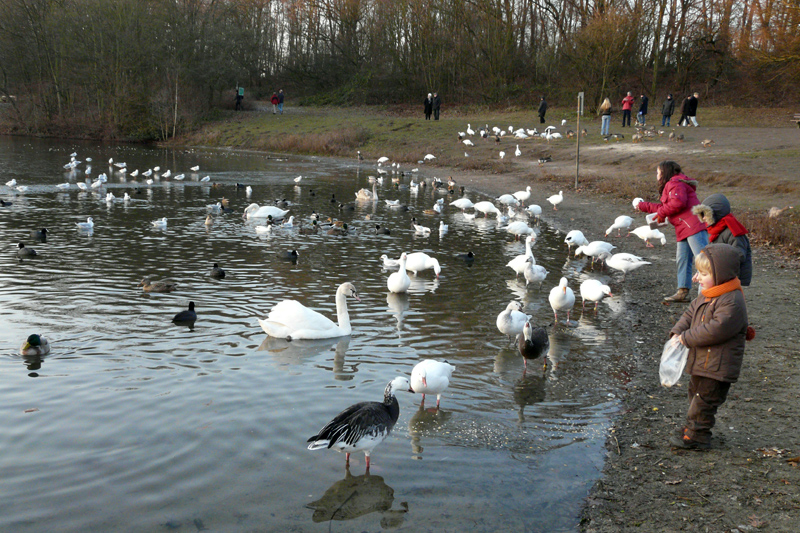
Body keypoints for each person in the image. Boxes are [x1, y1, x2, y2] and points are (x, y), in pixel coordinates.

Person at [668, 243, 751, 450]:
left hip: (718, 366)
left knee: (704, 400)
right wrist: (677, 332)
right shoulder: (708, 294)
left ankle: (698, 436)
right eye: (698, 272)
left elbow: (717, 328)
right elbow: (690, 313)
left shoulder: (732, 300)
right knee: (695, 394)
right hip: (704, 362)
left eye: (703, 273)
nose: (697, 277)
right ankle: (693, 427)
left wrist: (686, 338)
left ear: (721, 274)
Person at [634, 160, 708, 302]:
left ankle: (706, 296)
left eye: (658, 172)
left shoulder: (675, 184)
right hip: (683, 227)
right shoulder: (674, 185)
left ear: (664, 172)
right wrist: (644, 206)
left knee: (703, 260)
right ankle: (682, 291)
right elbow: (667, 206)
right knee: (682, 259)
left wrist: (661, 214)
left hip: (692, 226)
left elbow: (677, 203)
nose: (656, 175)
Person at [692, 194, 752, 286]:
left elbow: (739, 255)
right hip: (721, 275)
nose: (703, 218)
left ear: (715, 213)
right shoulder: (717, 229)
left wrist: (712, 267)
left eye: (705, 214)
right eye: (702, 214)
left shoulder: (733, 231)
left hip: (732, 278)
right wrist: (702, 272)